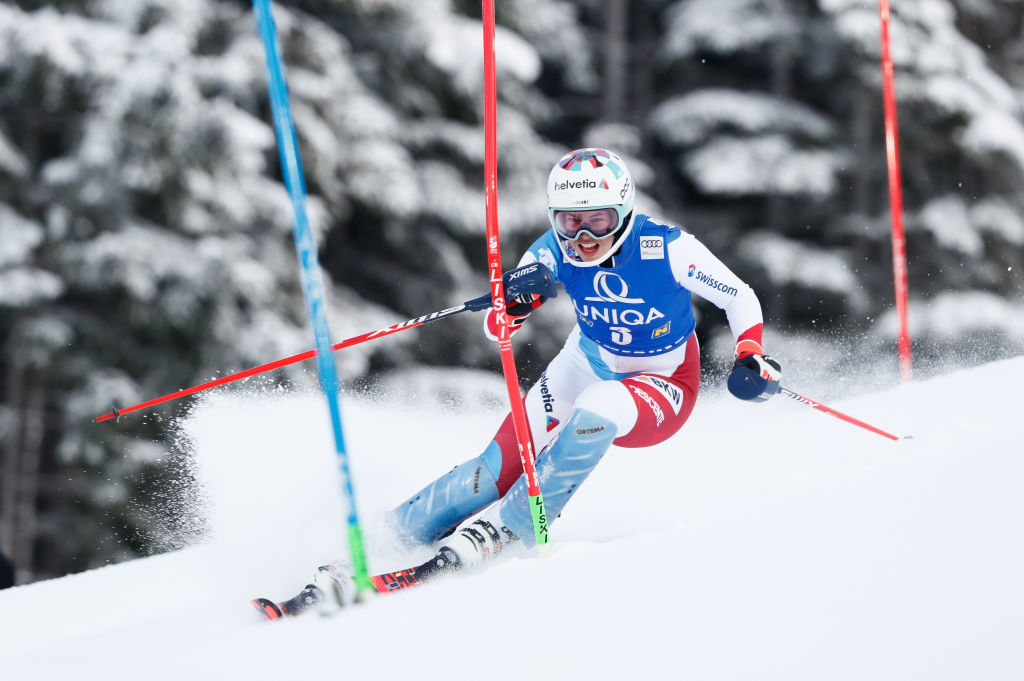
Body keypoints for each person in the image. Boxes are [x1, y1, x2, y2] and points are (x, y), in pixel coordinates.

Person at [256, 148, 783, 618]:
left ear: (623, 214)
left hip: (664, 379)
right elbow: (499, 320)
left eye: (597, 222)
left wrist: (749, 351)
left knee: (598, 407)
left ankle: (512, 527)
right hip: (587, 359)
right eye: (568, 221)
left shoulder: (667, 248)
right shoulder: (551, 248)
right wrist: (513, 305)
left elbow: (740, 297)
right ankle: (391, 534)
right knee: (493, 468)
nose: (581, 238)